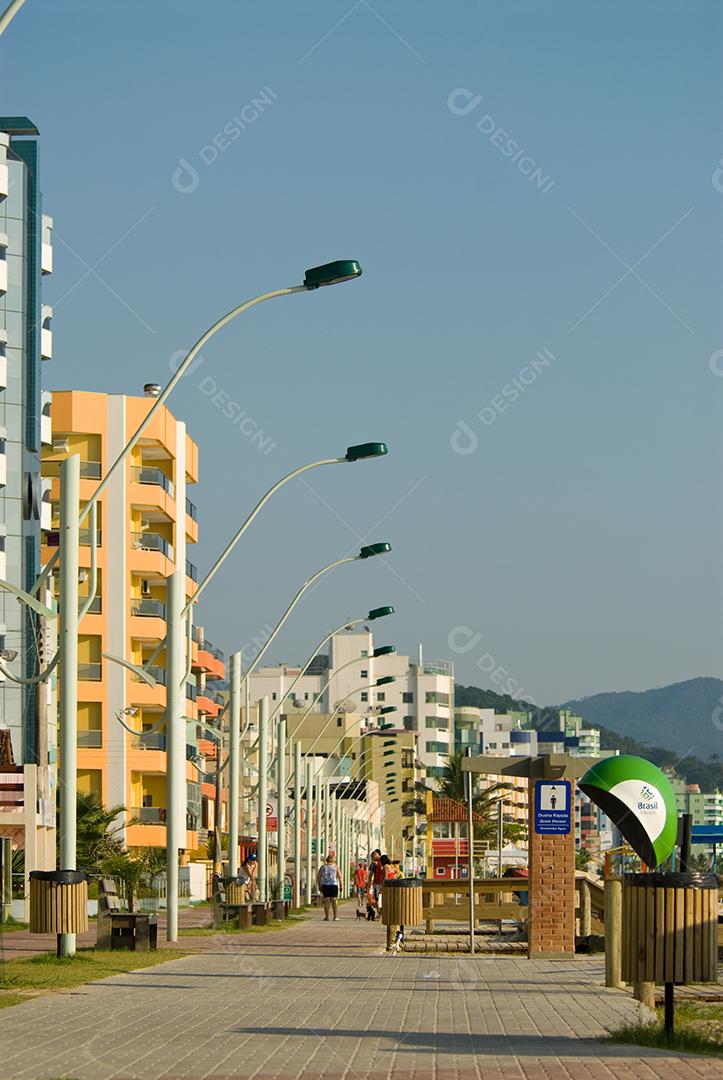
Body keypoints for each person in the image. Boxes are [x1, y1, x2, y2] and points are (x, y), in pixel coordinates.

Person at [317, 854, 343, 921]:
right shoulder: (335, 867)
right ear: (333, 860)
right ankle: (335, 916)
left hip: (325, 885)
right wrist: (341, 885)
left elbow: (319, 877)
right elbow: (340, 876)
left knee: (326, 900)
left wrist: (319, 885)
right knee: (334, 900)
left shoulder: (323, 867)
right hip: (333, 885)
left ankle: (326, 916)